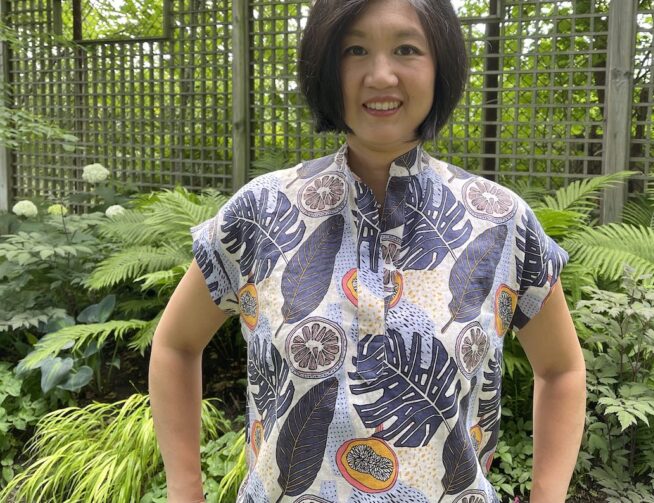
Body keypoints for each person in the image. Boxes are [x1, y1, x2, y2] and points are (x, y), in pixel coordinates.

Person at [148, 0, 586, 501]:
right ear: (327, 67)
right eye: (355, 50)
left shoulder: (499, 221)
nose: (381, 75)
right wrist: (185, 491)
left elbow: (562, 370)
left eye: (406, 49)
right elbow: (175, 345)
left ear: (441, 63)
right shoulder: (261, 213)